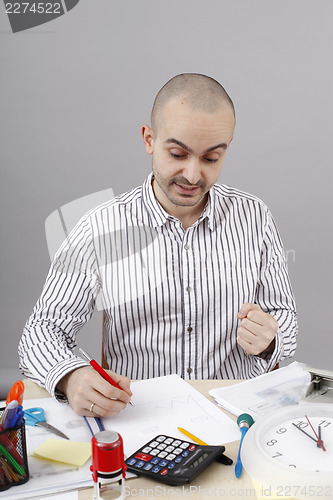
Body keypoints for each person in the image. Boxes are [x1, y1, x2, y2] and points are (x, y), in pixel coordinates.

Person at [18, 73, 297, 418]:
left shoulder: (255, 216)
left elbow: (283, 313)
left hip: (234, 414)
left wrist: (272, 337)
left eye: (211, 159)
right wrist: (71, 376)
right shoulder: (101, 227)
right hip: (142, 420)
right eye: (178, 153)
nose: (193, 176)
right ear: (149, 139)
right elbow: (42, 330)